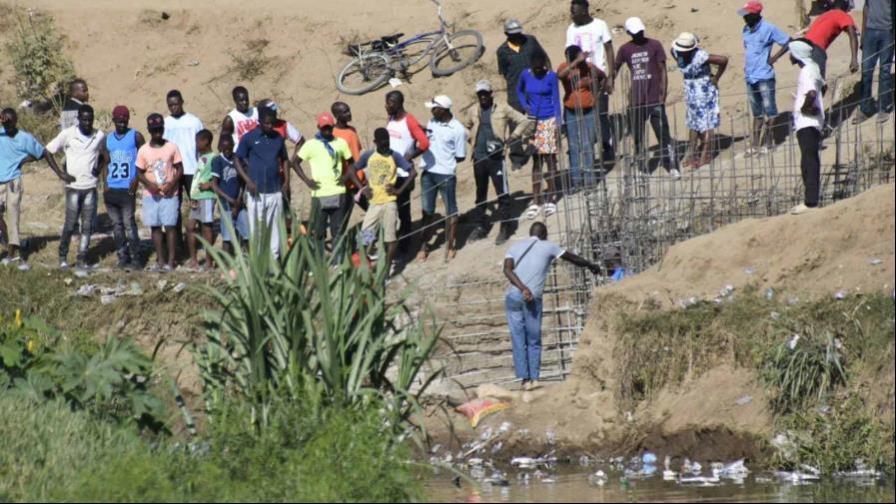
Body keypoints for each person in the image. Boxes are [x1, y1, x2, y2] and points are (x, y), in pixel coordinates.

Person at [503, 222, 600, 391]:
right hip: (532, 298)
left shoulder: (515, 247)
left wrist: (520, 287)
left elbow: (507, 270)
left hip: (513, 296)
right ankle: (534, 379)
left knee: (518, 339)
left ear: (531, 233)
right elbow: (573, 258)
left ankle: (524, 380)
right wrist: (591, 266)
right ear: (545, 235)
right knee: (533, 339)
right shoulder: (549, 246)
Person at [1, 108, 73, 271]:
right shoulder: (1, 134)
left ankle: (14, 254)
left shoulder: (24, 138)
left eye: (10, 123)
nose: (8, 126)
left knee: (13, 216)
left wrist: (59, 173)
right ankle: (7, 243)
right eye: (5, 123)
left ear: (16, 121)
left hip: (13, 181)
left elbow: (43, 153)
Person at [462, 79, 532, 245]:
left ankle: (506, 225)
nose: (483, 97)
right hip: (479, 157)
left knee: (502, 192)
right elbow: (466, 126)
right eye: (480, 94)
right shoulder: (473, 110)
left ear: (490, 94)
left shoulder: (502, 107)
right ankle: (480, 225)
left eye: (485, 93)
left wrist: (513, 137)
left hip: (496, 158)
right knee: (480, 193)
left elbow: (524, 120)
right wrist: (470, 138)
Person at [615, 17, 680, 179]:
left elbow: (663, 70)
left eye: (641, 31)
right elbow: (615, 68)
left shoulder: (655, 45)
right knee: (638, 136)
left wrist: (663, 93)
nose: (639, 35)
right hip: (636, 100)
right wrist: (608, 82)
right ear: (629, 33)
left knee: (663, 134)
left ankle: (671, 165)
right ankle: (642, 166)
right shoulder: (625, 49)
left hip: (654, 98)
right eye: (635, 33)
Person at [46, 104, 106, 269]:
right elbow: (48, 151)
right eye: (84, 119)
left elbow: (105, 154)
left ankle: (82, 257)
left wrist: (98, 168)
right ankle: (63, 255)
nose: (88, 123)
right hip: (73, 187)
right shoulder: (68, 134)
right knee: (70, 224)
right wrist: (60, 173)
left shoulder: (99, 135)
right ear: (78, 119)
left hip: (90, 187)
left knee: (87, 225)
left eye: (90, 119)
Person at [349, 128, 416, 273]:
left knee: (390, 238)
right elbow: (351, 170)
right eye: (383, 144)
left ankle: (386, 268)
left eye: (387, 143)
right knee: (365, 235)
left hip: (389, 203)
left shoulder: (395, 156)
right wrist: (362, 188)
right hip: (373, 203)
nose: (386, 147)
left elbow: (412, 172)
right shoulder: (369, 156)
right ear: (375, 142)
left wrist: (399, 191)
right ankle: (362, 264)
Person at [294, 112, 354, 251]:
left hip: (338, 192)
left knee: (337, 231)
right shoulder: (311, 145)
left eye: (329, 127)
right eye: (324, 128)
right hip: (319, 194)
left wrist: (345, 178)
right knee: (319, 232)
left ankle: (337, 262)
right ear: (318, 127)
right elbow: (296, 163)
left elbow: (352, 163)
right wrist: (307, 181)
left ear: (333, 126)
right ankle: (319, 262)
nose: (327, 131)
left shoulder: (340, 143)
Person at [235, 107, 289, 258]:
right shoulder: (249, 138)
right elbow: (237, 159)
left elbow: (285, 160)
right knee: (257, 230)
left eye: (272, 123)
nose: (270, 126)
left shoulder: (278, 138)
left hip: (275, 191)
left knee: (275, 231)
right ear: (259, 122)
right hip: (256, 192)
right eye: (267, 123)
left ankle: (274, 263)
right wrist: (248, 181)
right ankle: (259, 264)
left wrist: (286, 182)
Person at [417, 95, 466, 263]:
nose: (431, 110)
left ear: (443, 110)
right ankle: (424, 245)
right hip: (428, 172)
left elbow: (460, 156)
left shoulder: (457, 129)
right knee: (427, 211)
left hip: (445, 174)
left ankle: (451, 245)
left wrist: (445, 160)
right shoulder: (432, 121)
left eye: (434, 108)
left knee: (451, 210)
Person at [567, 0, 616, 166]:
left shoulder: (600, 25)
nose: (572, 14)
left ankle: (606, 145)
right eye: (571, 11)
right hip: (580, 80)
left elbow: (609, 49)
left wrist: (611, 76)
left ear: (584, 10)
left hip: (598, 76)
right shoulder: (571, 29)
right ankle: (587, 147)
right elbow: (568, 54)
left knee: (601, 112)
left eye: (574, 11)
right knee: (584, 114)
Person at [739, 1, 792, 154]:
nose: (745, 18)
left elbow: (788, 42)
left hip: (764, 76)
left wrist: (774, 57)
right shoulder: (746, 29)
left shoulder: (769, 28)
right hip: (750, 77)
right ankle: (755, 145)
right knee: (757, 112)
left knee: (770, 111)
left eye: (747, 15)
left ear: (755, 14)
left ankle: (769, 142)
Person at [497, 19, 549, 170]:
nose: (517, 36)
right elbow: (504, 72)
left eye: (518, 33)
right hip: (515, 90)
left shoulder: (531, 41)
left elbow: (544, 58)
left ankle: (544, 148)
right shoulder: (502, 51)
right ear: (506, 34)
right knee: (515, 122)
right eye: (513, 34)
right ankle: (517, 157)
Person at [671, 33, 728, 169]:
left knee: (706, 123)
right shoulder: (676, 52)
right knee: (693, 122)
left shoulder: (701, 56)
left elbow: (723, 60)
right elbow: (672, 51)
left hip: (704, 91)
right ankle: (691, 153)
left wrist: (716, 78)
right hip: (691, 91)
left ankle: (704, 155)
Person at [517, 50, 562, 220]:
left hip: (548, 119)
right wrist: (524, 105)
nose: (537, 71)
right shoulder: (525, 75)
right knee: (536, 161)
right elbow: (519, 90)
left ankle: (551, 197)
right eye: (534, 68)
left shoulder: (551, 76)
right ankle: (536, 200)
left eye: (539, 68)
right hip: (532, 121)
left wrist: (558, 121)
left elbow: (556, 99)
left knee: (550, 159)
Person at [136, 113, 184, 272]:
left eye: (160, 129)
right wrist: (150, 185)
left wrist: (172, 183)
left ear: (163, 129)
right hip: (151, 196)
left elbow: (179, 168)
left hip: (170, 194)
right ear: (149, 130)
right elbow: (139, 172)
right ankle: (160, 260)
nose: (157, 133)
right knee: (155, 227)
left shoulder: (172, 147)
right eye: (154, 130)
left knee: (170, 227)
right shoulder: (143, 150)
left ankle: (171, 261)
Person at [99, 105, 145, 270]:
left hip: (128, 188)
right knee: (116, 225)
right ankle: (122, 256)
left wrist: (137, 181)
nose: (122, 123)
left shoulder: (136, 136)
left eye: (125, 119)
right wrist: (105, 185)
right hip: (112, 188)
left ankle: (136, 257)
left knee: (129, 223)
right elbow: (105, 163)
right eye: (119, 120)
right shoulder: (107, 139)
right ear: (113, 120)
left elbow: (143, 159)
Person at [385, 91, 430, 257]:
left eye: (390, 103)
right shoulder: (390, 119)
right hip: (388, 173)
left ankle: (405, 244)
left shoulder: (409, 120)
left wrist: (410, 156)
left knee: (403, 210)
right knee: (389, 209)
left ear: (398, 103)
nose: (387, 106)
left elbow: (424, 142)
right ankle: (391, 242)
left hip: (403, 174)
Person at [558, 44, 607, 186]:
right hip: (571, 111)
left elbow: (602, 76)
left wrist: (598, 93)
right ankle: (576, 181)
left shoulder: (590, 67)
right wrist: (575, 63)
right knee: (573, 146)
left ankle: (590, 180)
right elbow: (560, 76)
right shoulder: (565, 67)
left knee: (587, 144)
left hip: (589, 110)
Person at [789, 41, 825, 216]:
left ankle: (810, 202)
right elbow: (822, 87)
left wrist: (805, 107)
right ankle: (811, 199)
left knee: (809, 161)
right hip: (811, 122)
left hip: (807, 121)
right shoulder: (813, 67)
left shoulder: (807, 70)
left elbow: (811, 92)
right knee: (810, 159)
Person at [163, 89, 204, 243]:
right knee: (174, 206)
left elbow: (202, 145)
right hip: (173, 171)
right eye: (170, 105)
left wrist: (203, 168)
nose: (174, 107)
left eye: (176, 104)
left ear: (182, 102)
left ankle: (198, 237)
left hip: (192, 168)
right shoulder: (166, 123)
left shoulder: (194, 121)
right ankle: (177, 240)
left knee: (197, 204)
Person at [855, 0, 893, 124]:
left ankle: (884, 107)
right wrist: (863, 34)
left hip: (887, 32)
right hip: (870, 31)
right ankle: (865, 109)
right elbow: (866, 8)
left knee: (885, 71)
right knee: (866, 70)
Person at [800, 0, 859, 79]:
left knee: (810, 80)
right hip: (815, 49)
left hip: (802, 48)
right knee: (817, 82)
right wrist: (854, 60)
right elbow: (853, 36)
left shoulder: (824, 15)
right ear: (844, 6)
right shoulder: (842, 15)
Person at [211, 135, 248, 256]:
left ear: (233, 146)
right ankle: (228, 262)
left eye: (229, 148)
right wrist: (230, 201)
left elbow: (242, 183)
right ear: (220, 148)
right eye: (224, 149)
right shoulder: (217, 161)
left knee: (246, 232)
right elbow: (215, 185)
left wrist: (238, 200)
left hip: (239, 203)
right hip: (226, 203)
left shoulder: (238, 159)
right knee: (227, 236)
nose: (227, 151)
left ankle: (249, 258)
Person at [186, 129, 216, 270]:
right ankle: (194, 260)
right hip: (197, 197)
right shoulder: (201, 157)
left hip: (207, 197)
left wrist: (209, 185)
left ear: (205, 141)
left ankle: (209, 262)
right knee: (190, 226)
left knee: (206, 227)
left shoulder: (214, 158)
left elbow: (217, 179)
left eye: (198, 141)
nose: (196, 144)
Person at [331, 101, 367, 213]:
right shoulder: (332, 134)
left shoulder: (352, 130)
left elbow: (357, 153)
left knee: (373, 212)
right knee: (341, 219)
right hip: (345, 184)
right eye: (345, 112)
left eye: (349, 110)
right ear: (337, 116)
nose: (349, 113)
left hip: (359, 180)